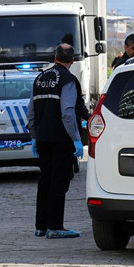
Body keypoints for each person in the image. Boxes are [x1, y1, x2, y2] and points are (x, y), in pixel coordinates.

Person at [27, 43, 85, 239]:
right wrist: (76, 139)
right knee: (59, 182)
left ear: (55, 58)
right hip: (61, 140)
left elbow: (31, 110)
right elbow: (68, 112)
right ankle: (55, 227)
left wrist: (34, 136)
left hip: (42, 138)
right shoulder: (68, 79)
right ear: (73, 60)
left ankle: (41, 226)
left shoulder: (40, 78)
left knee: (45, 180)